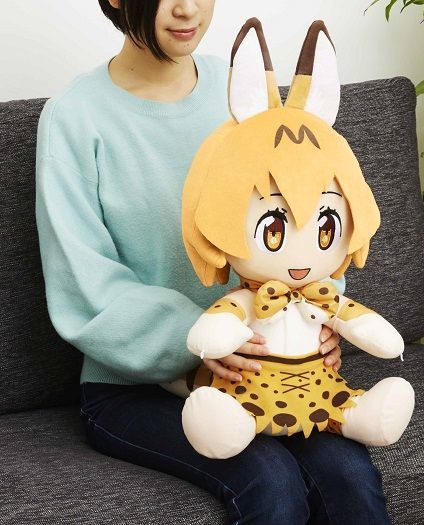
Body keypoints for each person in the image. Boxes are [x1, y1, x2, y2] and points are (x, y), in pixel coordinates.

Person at [35, 1, 392, 523]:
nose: (187, 9)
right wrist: (202, 342)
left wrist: (318, 318)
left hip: (271, 375)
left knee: (350, 476)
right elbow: (84, 284)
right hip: (132, 391)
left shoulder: (244, 95)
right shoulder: (74, 117)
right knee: (270, 478)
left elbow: (310, 207)